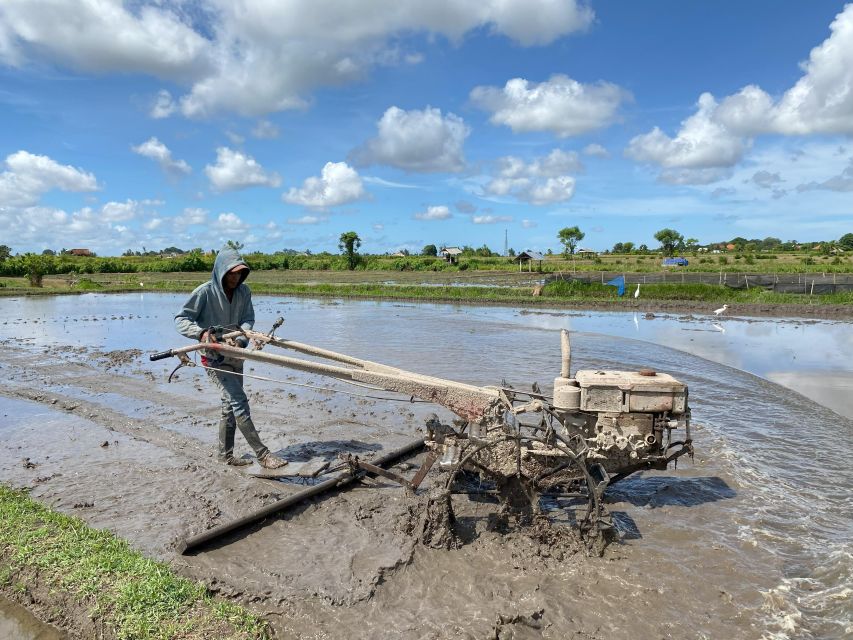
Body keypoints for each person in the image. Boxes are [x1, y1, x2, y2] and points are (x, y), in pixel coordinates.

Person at [175, 245, 287, 469]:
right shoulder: (204, 292)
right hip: (213, 357)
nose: (236, 278)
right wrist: (202, 333)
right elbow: (181, 319)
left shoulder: (244, 292)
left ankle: (224, 456)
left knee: (229, 405)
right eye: (232, 273)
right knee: (238, 400)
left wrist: (240, 340)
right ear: (221, 272)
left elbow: (248, 319)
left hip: (236, 354)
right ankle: (262, 455)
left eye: (239, 273)